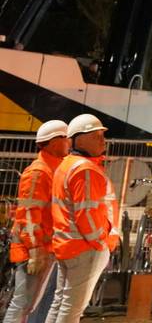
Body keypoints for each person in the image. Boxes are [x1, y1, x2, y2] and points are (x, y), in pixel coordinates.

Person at [48, 114, 119, 323]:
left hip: (67, 243)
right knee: (72, 308)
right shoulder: (85, 169)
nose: (102, 140)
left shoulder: (67, 165)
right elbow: (85, 213)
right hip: (84, 247)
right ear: (79, 139)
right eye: (96, 136)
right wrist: (100, 243)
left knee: (60, 302)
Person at [3, 120, 69, 323]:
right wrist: (34, 250)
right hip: (35, 250)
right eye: (65, 138)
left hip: (44, 247)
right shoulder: (39, 172)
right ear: (53, 142)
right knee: (23, 302)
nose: (68, 143)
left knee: (32, 302)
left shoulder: (52, 169)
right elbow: (28, 214)